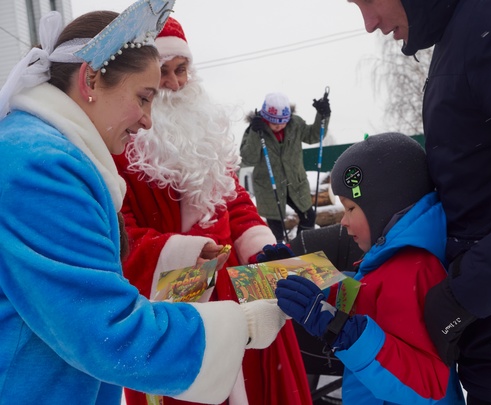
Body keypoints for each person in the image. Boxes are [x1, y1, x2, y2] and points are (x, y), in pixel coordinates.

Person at [0, 4, 288, 404]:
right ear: (91, 79)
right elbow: (106, 329)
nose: (148, 119)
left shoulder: (49, 151)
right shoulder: (42, 166)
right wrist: (245, 325)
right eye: (144, 96)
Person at [347, 0, 491, 403]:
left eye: (367, 0)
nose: (368, 23)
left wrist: (464, 294)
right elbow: (476, 193)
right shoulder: (466, 33)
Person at [113, 16, 312, 405]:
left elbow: (234, 201)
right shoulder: (121, 147)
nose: (174, 83)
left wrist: (261, 248)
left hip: (236, 290)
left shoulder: (205, 135)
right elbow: (121, 236)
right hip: (172, 296)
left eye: (181, 69)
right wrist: (185, 253)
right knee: (194, 387)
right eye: (163, 72)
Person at [275, 133, 466, 404]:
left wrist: (342, 331)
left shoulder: (416, 270)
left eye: (351, 208)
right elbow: (367, 297)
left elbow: (428, 386)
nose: (343, 221)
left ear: (382, 207)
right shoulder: (393, 260)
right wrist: (301, 271)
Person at [240, 92, 331, 242]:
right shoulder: (256, 129)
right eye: (274, 122)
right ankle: (279, 251)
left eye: (283, 122)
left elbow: (313, 136)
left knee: (309, 217)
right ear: (266, 118)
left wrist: (323, 115)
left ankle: (302, 246)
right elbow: (249, 158)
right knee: (276, 230)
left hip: (295, 182)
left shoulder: (295, 124)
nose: (279, 126)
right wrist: (255, 134)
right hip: (269, 187)